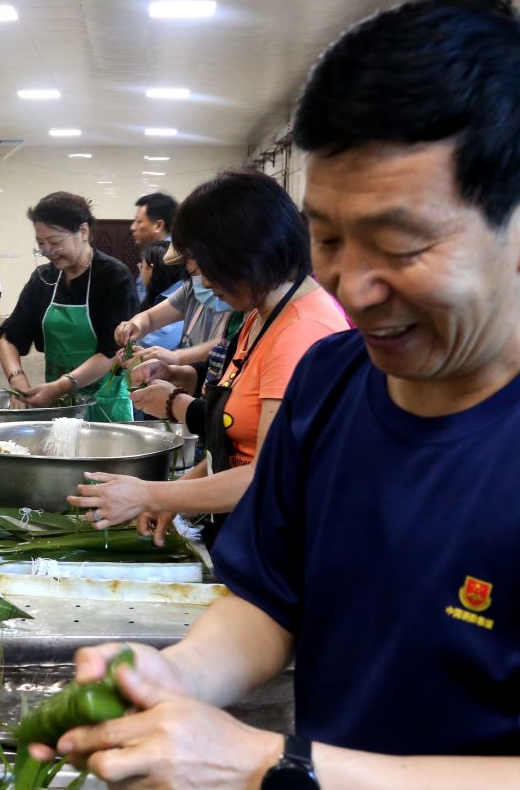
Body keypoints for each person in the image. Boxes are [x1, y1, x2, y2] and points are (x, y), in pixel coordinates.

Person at [54, 0, 520, 790]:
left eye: (401, 246)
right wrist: (176, 674)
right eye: (326, 238)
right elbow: (271, 602)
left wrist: (264, 767)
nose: (352, 288)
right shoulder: (334, 377)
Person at [71, 170, 348, 536]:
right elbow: (237, 444)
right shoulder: (260, 315)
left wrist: (152, 494)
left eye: (206, 269)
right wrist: (179, 493)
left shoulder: (302, 331)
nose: (203, 283)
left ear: (248, 252)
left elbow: (265, 476)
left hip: (286, 544)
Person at [0, 193, 137, 418]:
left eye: (55, 242)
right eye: (41, 243)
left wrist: (62, 386)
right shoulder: (43, 278)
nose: (47, 250)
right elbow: (9, 337)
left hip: (105, 404)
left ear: (82, 232)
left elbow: (112, 352)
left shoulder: (114, 277)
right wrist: (17, 378)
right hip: (60, 404)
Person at [116, 245, 239, 396]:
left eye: (205, 271)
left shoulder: (243, 306)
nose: (205, 283)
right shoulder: (191, 291)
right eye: (193, 273)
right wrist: (135, 325)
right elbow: (149, 318)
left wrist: (177, 357)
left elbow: (228, 344)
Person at [132, 192, 182, 299]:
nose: (133, 227)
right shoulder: (155, 253)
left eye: (139, 221)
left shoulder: (170, 258)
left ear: (158, 225)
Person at [136, 242, 184, 350]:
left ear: (151, 269)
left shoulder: (180, 296)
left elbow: (160, 341)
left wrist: (131, 341)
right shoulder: (158, 296)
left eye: (141, 266)